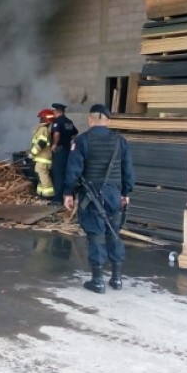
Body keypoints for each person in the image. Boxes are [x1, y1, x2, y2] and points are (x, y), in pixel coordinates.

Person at [63, 104, 134, 294]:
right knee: (114, 233)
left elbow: (73, 170)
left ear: (89, 119)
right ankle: (117, 279)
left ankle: (97, 281)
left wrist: (68, 193)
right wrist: (126, 194)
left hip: (92, 196)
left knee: (96, 236)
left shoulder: (82, 140)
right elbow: (128, 170)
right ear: (108, 121)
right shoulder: (120, 141)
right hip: (115, 195)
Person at [50, 102, 79, 206]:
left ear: (56, 111)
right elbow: (75, 133)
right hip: (68, 151)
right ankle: (70, 195)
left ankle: (58, 200)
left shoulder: (57, 121)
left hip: (60, 151)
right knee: (68, 174)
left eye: (53, 111)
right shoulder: (69, 121)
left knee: (58, 175)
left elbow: (57, 133)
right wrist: (70, 142)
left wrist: (54, 144)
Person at [29, 108, 56, 200]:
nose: (40, 120)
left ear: (45, 119)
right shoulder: (43, 129)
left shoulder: (43, 129)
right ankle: (40, 194)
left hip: (43, 159)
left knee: (43, 177)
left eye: (41, 118)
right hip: (42, 158)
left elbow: (42, 142)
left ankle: (48, 196)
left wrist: (33, 153)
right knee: (40, 177)